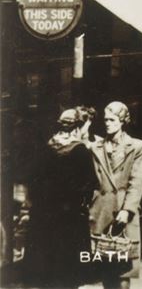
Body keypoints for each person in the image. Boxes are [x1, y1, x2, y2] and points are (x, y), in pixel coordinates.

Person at [25, 108, 99, 288]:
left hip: (44, 212)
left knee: (46, 264)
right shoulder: (79, 150)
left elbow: (33, 179)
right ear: (77, 126)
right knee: (68, 267)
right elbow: (90, 182)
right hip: (69, 213)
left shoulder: (47, 146)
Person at [89, 102, 142, 289]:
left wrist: (128, 209)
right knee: (106, 269)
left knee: (124, 270)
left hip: (124, 213)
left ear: (122, 121)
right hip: (101, 211)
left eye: (112, 120)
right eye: (105, 119)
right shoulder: (95, 146)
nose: (107, 123)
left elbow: (136, 182)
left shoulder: (136, 146)